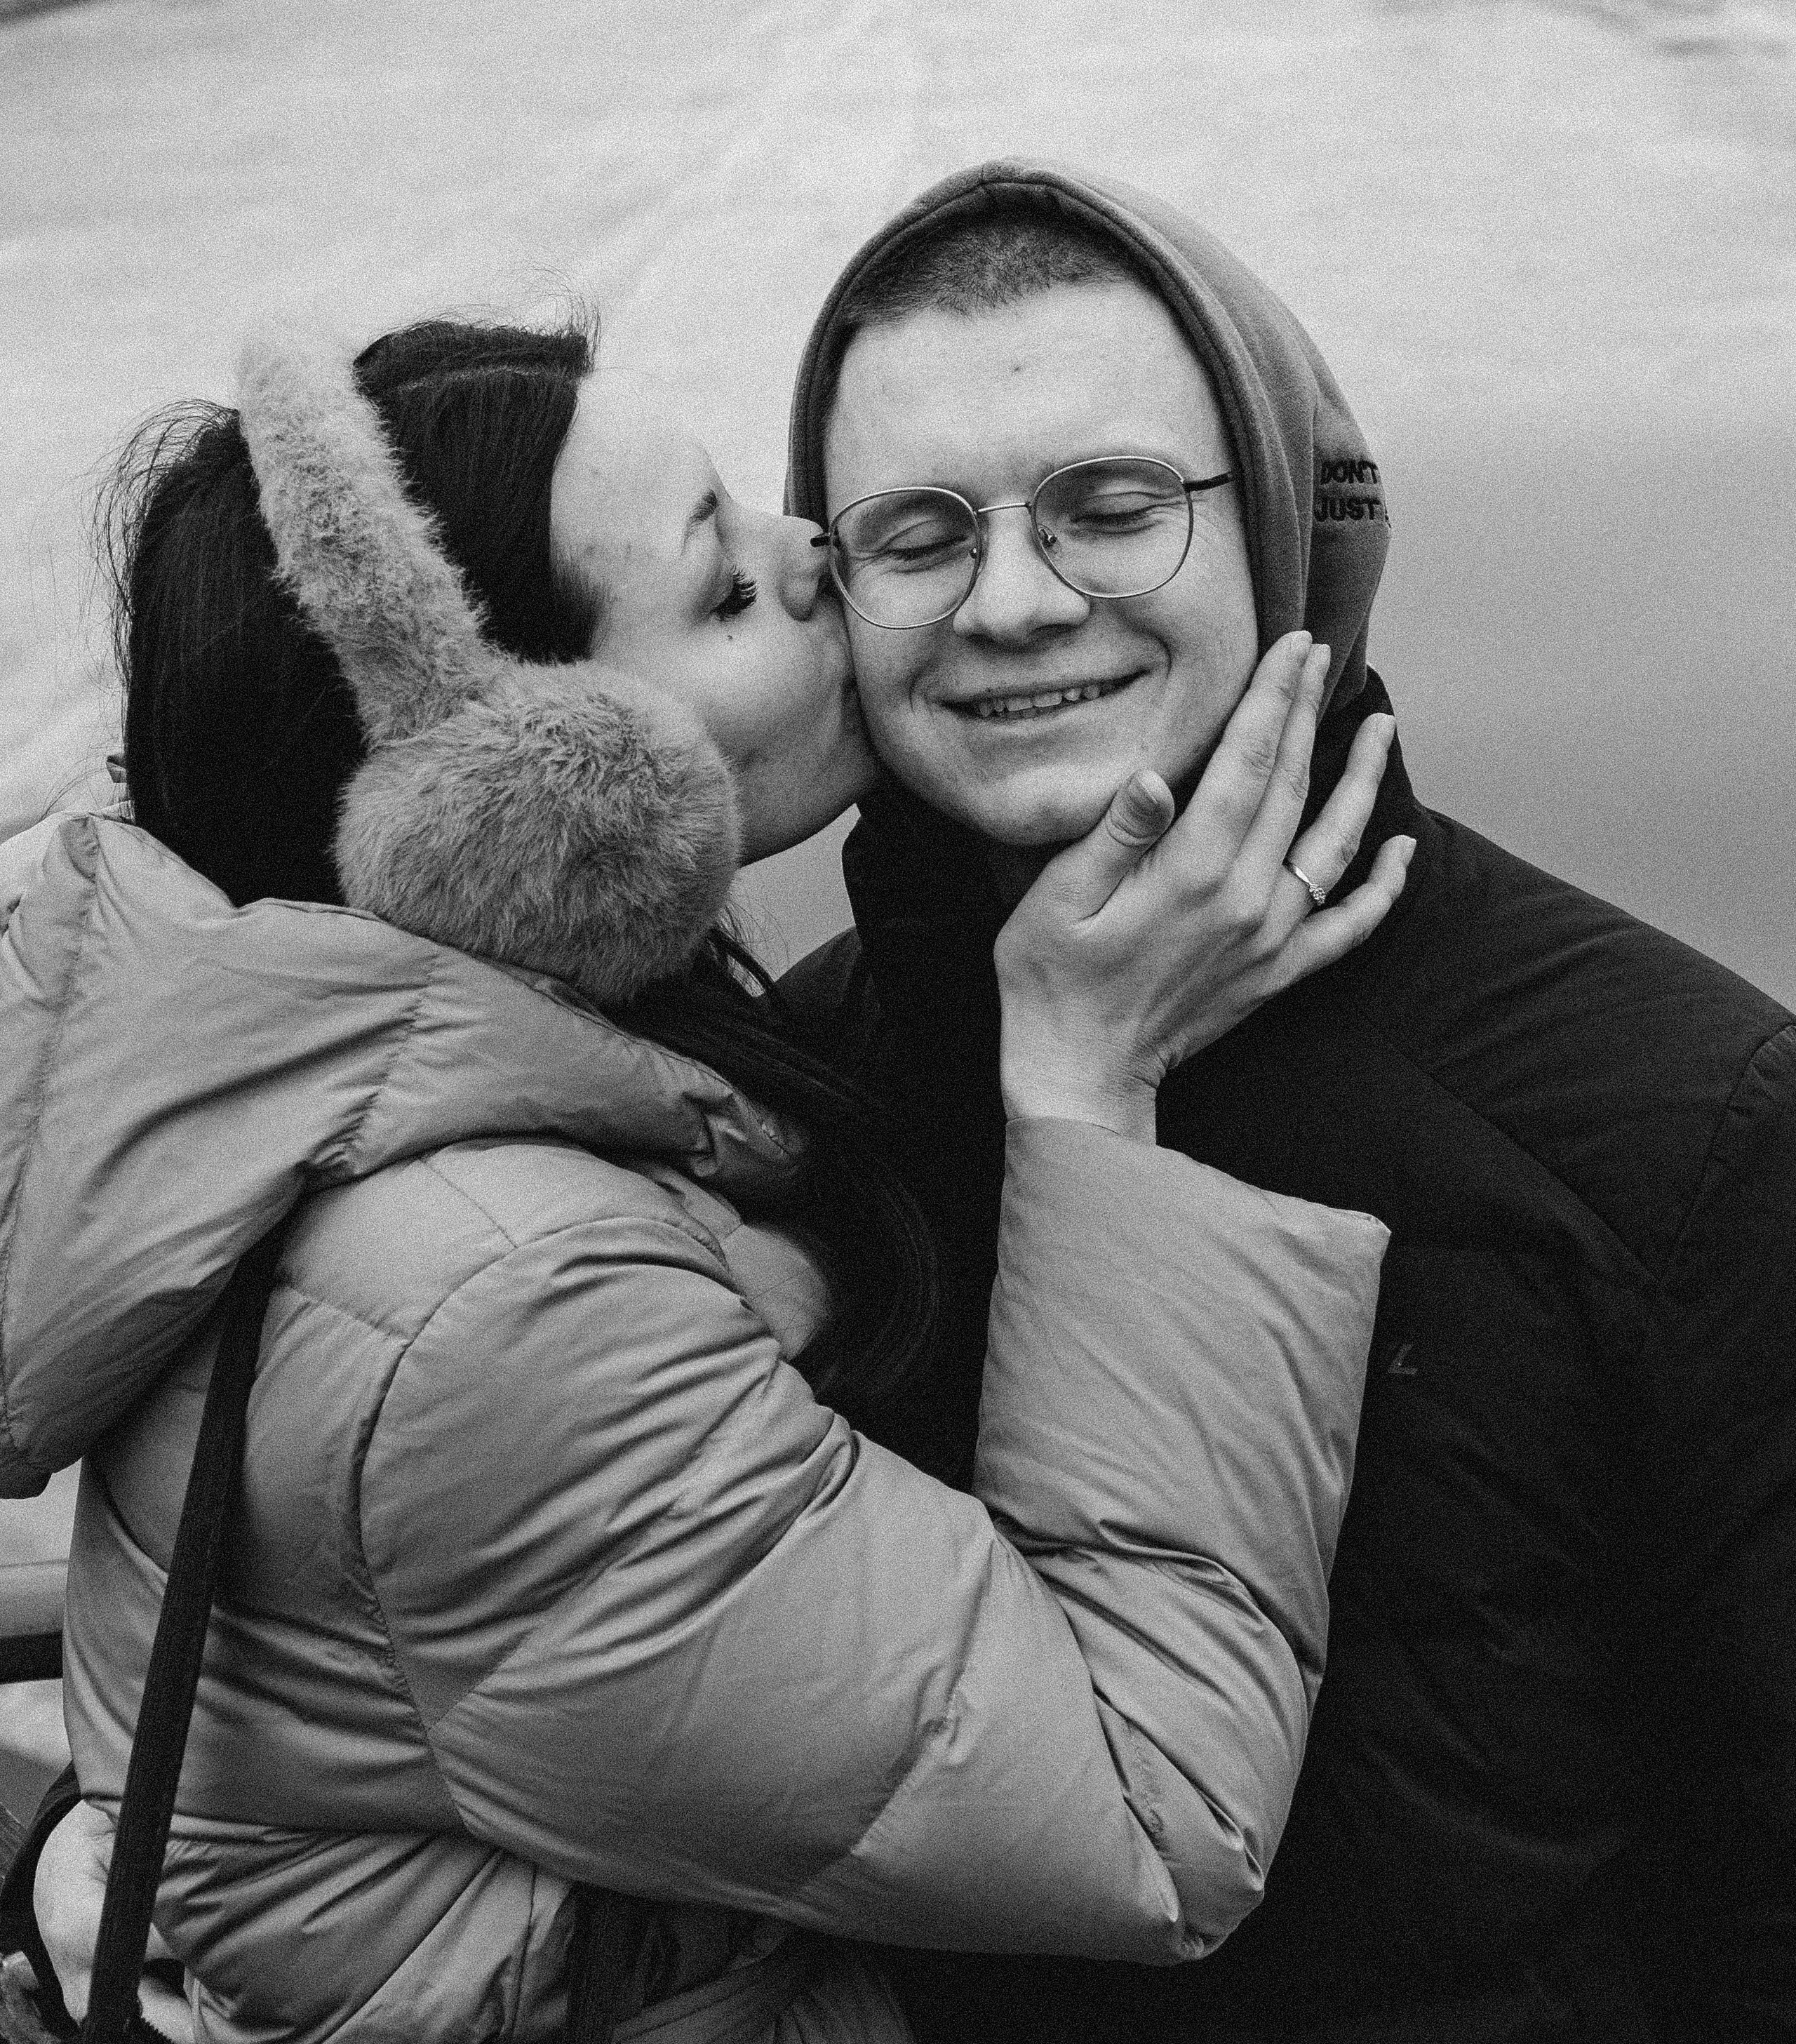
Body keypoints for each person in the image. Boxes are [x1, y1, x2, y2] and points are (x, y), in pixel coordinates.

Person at [1, 313, 1405, 2044]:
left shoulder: (361, 1103)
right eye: (721, 591)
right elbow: (1152, 1815)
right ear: (528, 800)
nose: (816, 551)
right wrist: (1086, 1087)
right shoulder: (497, 1293)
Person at [781, 159, 1796, 2044]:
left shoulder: (1685, 1121)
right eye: (918, 534)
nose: (1013, 603)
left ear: (1289, 529)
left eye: (1109, 508)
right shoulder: (793, 1094)